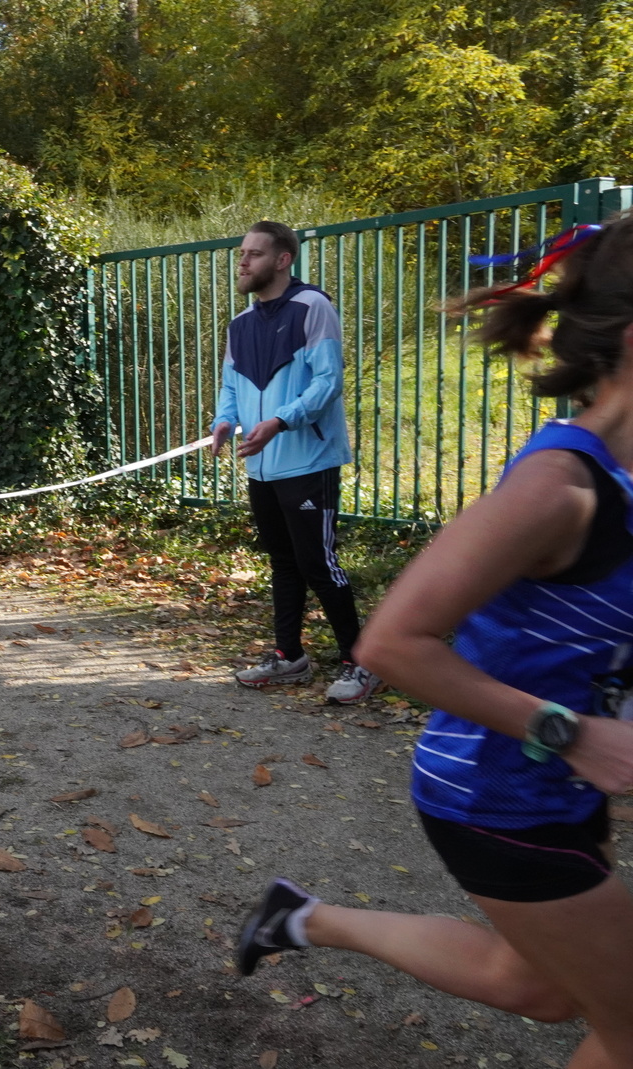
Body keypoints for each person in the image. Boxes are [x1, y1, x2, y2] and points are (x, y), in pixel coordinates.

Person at [235, 219, 633, 1067]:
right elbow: (393, 641)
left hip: (557, 787)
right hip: (498, 792)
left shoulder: (622, 477)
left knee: (541, 989)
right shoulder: (561, 486)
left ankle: (300, 918)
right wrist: (573, 732)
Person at [210, 220, 380, 704]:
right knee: (283, 562)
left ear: (283, 260)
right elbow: (230, 386)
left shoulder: (313, 307)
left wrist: (281, 421)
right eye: (242, 254)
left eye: (255, 254)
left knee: (318, 563)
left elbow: (328, 382)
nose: (243, 262)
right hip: (261, 466)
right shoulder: (240, 325)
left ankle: (362, 662)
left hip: (309, 461)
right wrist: (224, 420)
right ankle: (289, 656)